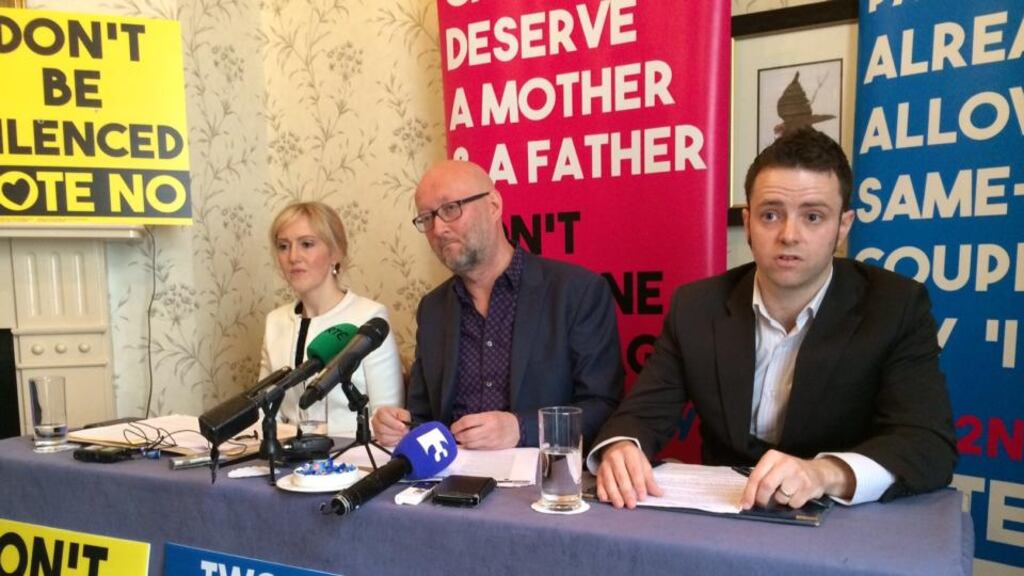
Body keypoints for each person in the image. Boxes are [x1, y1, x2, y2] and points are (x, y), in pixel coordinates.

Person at [591, 128, 957, 510]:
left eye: (813, 217)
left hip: (840, 527)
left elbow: (927, 443)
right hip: (726, 517)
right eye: (771, 215)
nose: (789, 235)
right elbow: (638, 415)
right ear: (748, 223)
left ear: (843, 227)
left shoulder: (895, 306)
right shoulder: (697, 306)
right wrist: (621, 446)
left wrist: (823, 472)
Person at [371, 160, 623, 450]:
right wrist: (398, 427)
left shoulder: (576, 292)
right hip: (451, 482)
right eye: (426, 218)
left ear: (493, 206)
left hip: (542, 481)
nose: (438, 229)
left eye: (450, 209)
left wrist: (521, 429)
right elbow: (423, 418)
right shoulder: (433, 308)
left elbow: (604, 407)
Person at [259, 201, 403, 436]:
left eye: (306, 244)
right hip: (286, 460)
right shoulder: (275, 322)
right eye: (283, 246)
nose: (293, 256)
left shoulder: (369, 317)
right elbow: (264, 413)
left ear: (336, 252)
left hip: (351, 458)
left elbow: (387, 421)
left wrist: (318, 434)